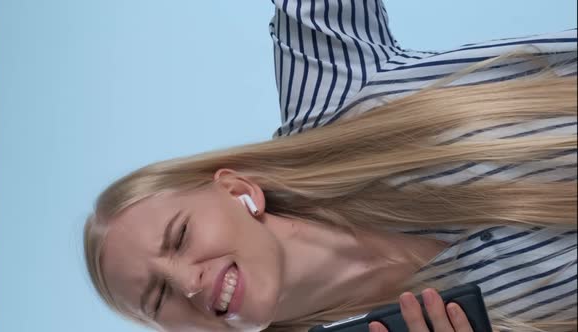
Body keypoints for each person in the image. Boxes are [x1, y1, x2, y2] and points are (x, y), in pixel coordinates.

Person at [83, 1, 577, 331]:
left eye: (180, 236)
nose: (188, 283)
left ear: (238, 190)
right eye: (158, 298)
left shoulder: (333, 97)